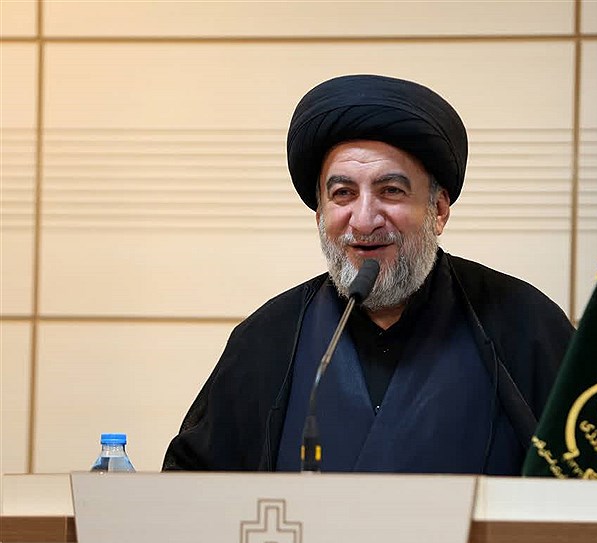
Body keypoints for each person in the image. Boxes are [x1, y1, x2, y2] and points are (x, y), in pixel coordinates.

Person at [163, 74, 574, 474]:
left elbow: (593, 482)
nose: (363, 220)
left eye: (390, 191)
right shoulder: (268, 338)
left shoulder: (524, 325)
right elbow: (194, 490)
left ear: (438, 210)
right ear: (320, 213)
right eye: (342, 194)